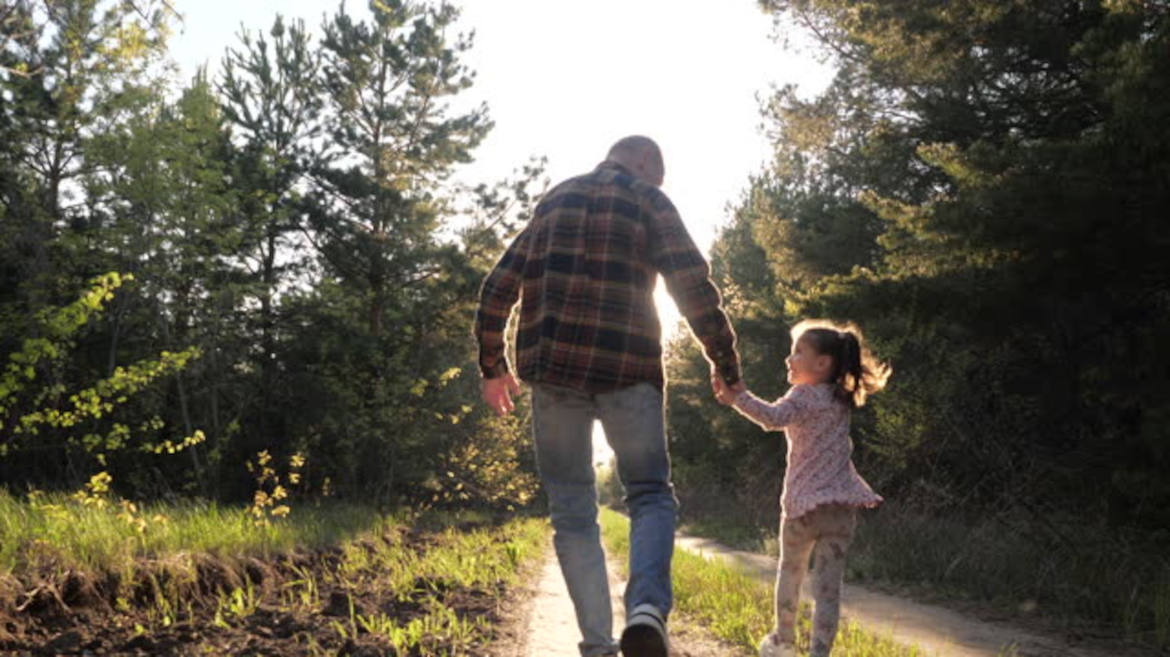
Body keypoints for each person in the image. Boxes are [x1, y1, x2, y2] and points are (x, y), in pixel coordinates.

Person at [474, 136, 742, 657]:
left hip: (555, 377)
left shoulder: (555, 200)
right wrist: (724, 364)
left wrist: (493, 366)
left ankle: (598, 647)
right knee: (648, 494)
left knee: (572, 509)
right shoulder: (648, 201)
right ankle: (645, 611)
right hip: (630, 373)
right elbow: (692, 284)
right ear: (645, 164)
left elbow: (497, 286)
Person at [712, 320, 890, 657]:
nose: (788, 359)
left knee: (790, 574)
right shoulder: (841, 398)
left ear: (822, 364)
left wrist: (739, 397)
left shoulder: (804, 395)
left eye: (797, 352)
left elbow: (773, 418)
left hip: (802, 509)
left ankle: (783, 642)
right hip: (840, 509)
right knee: (828, 590)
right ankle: (819, 652)